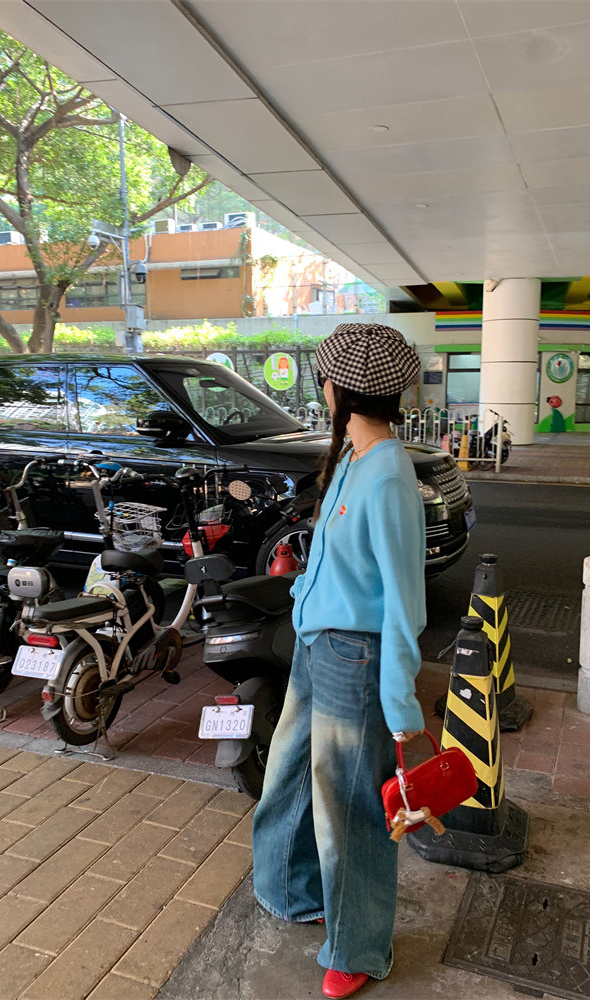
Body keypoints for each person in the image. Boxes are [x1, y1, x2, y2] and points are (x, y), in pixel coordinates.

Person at [252, 323, 427, 999]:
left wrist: (401, 705)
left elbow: (405, 601)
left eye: (323, 380)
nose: (321, 389)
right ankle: (290, 891)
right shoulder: (355, 457)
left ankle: (358, 948)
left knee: (349, 812)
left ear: (338, 390)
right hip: (316, 643)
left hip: (356, 660)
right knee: (288, 777)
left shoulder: (387, 475)